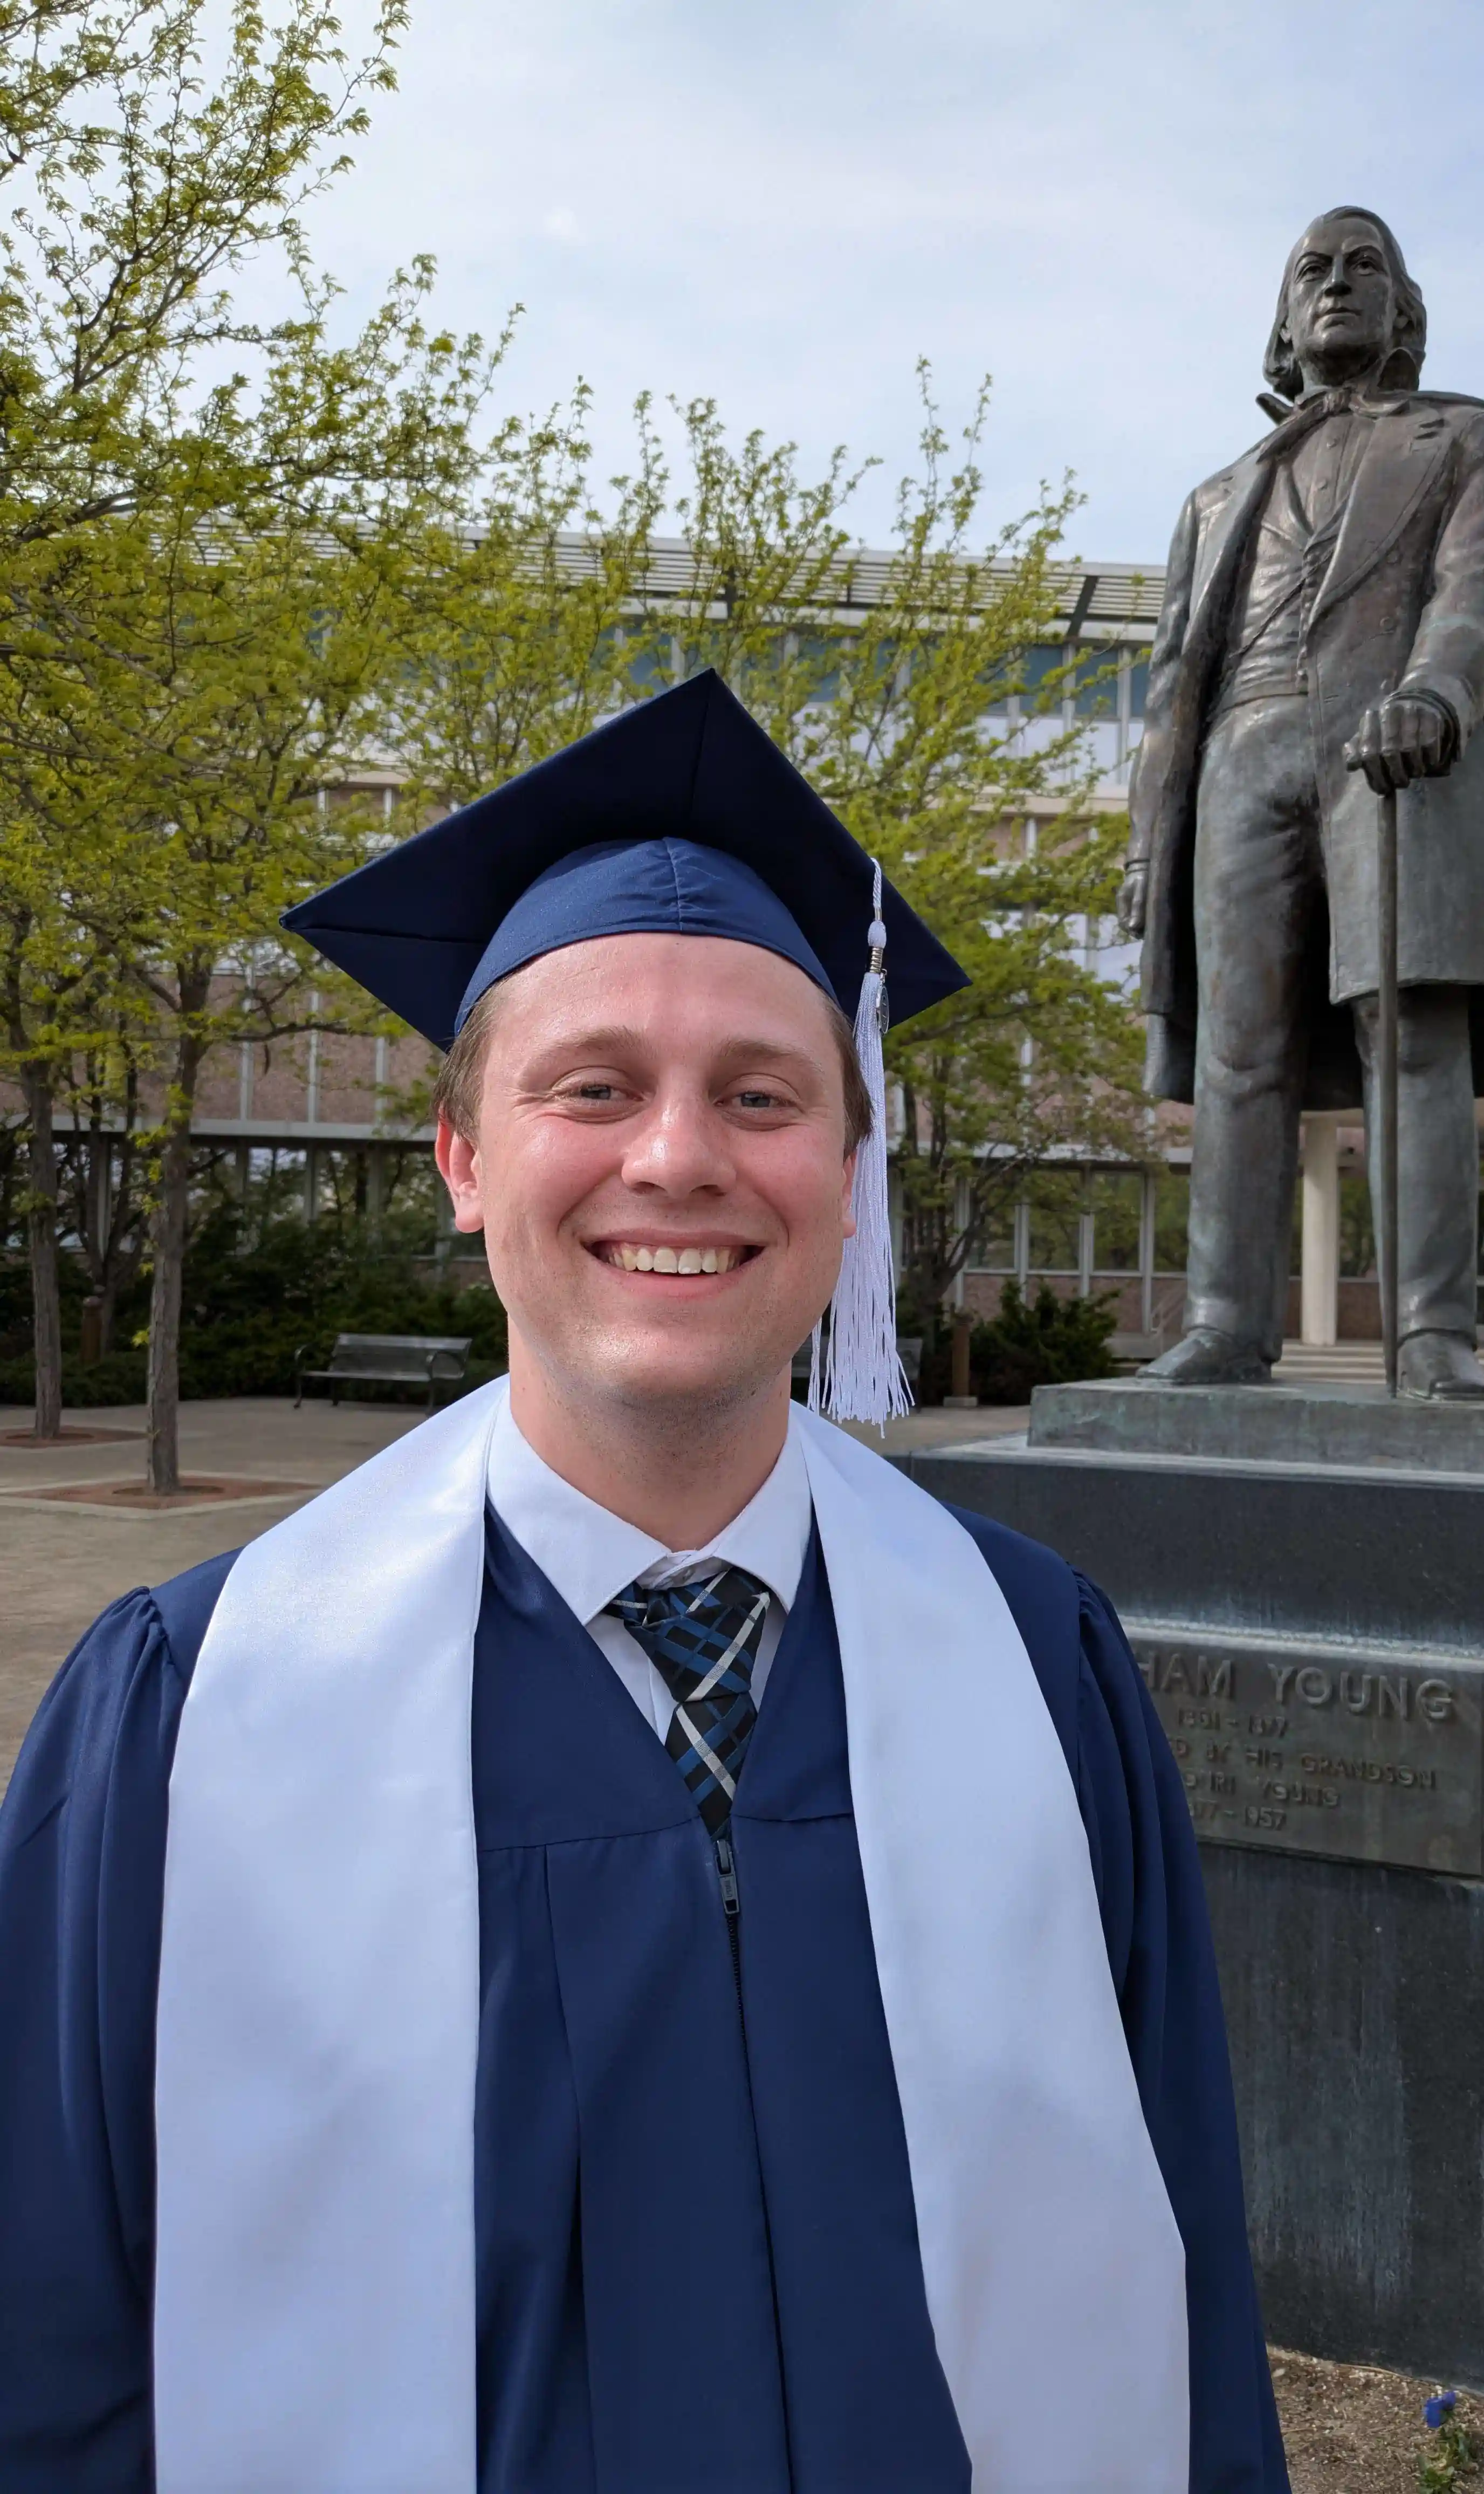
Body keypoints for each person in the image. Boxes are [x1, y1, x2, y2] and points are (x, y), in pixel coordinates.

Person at [0, 670, 1290, 2493]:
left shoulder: (1036, 1663)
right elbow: (49, 2345)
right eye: (593, 1087)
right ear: (464, 1159)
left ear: (848, 1175)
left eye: (761, 1095)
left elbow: (1180, 2288)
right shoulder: (192, 1709)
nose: (678, 1156)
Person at [1117, 205, 1484, 1399]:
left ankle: (1429, 1335)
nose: (1336, 281)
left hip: (1397, 752)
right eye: (1312, 268)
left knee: (1411, 1035)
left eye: (1365, 266)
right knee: (1237, 1053)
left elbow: (1481, 582)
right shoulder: (1217, 496)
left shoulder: (1465, 437)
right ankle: (1223, 1324)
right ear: (1282, 320)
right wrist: (1147, 842)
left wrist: (1436, 693)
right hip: (1241, 758)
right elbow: (1174, 684)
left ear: (1403, 310)